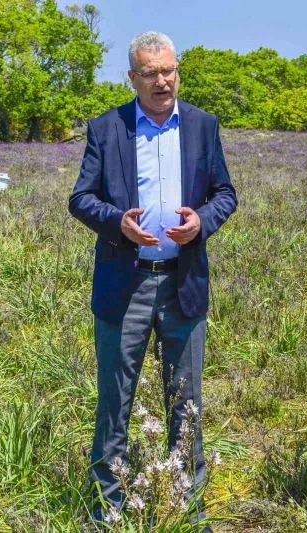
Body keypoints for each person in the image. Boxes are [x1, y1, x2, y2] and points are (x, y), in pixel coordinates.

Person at [68, 31, 237, 521]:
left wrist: (201, 221)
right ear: (132, 77)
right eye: (150, 73)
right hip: (126, 285)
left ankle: (187, 511)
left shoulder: (203, 125)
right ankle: (108, 510)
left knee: (186, 402)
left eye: (169, 71)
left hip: (183, 284)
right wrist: (116, 223)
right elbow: (81, 198)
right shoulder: (108, 128)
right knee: (115, 400)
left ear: (177, 71)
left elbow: (225, 193)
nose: (162, 81)